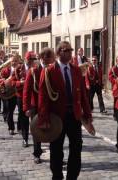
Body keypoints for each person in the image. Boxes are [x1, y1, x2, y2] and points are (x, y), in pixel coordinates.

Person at [37, 41, 92, 180]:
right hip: (57, 117)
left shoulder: (76, 70)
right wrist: (44, 119)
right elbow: (43, 96)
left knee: (76, 147)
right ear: (58, 52)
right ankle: (57, 176)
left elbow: (83, 94)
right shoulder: (49, 71)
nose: (69, 53)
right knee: (56, 149)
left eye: (70, 50)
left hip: (74, 116)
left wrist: (87, 114)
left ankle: (72, 176)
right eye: (66, 50)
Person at [23, 48, 55, 164]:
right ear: (43, 58)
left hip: (50, 104)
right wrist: (26, 108)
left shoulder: (53, 69)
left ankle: (55, 155)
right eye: (50, 57)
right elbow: (26, 90)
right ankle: (37, 153)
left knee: (53, 129)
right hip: (35, 105)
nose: (52, 60)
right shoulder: (33, 71)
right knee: (36, 129)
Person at [14, 52, 35, 142]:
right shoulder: (19, 68)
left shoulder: (36, 68)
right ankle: (25, 138)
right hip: (21, 96)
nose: (31, 61)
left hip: (33, 97)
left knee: (34, 119)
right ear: (26, 59)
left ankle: (37, 142)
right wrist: (20, 83)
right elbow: (12, 82)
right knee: (24, 117)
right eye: (30, 59)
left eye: (33, 59)